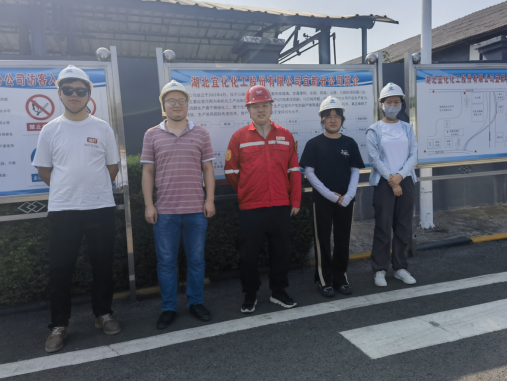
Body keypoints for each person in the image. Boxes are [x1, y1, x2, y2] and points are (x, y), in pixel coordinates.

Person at [33, 65, 121, 353]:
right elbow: (44, 170)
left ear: (88, 94)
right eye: (68, 89)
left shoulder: (102, 127)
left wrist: (92, 189)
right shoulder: (50, 129)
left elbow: (112, 166)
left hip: (100, 207)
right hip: (63, 210)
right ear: (59, 93)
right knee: (60, 269)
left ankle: (103, 314)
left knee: (102, 265)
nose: (74, 94)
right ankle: (59, 325)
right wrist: (68, 189)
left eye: (80, 90)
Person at [141, 80, 216, 330]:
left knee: (196, 260)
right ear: (163, 105)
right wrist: (149, 205)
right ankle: (169, 307)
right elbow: (148, 172)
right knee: (166, 263)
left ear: (187, 104)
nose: (176, 105)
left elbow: (208, 169)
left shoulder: (201, 133)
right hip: (165, 212)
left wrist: (209, 200)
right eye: (171, 101)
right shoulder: (151, 134)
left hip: (196, 210)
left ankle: (196, 302)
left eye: (181, 100)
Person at [224, 85, 301, 313]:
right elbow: (231, 172)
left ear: (271, 106)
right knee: (248, 255)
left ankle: (279, 291)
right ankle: (250, 294)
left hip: (280, 205)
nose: (260, 110)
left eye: (265, 105)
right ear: (248, 109)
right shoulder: (239, 137)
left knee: (282, 252)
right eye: (255, 106)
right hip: (251, 207)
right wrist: (247, 191)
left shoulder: (285, 135)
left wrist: (295, 200)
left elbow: (294, 170)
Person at [299, 96, 364, 298]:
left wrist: (349, 195)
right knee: (323, 240)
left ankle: (340, 278)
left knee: (343, 240)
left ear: (342, 119)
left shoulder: (350, 143)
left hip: (346, 200)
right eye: (329, 116)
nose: (333, 120)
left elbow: (355, 171)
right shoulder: (314, 144)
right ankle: (324, 280)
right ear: (322, 119)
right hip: (322, 201)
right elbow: (309, 173)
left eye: (337, 116)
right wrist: (328, 194)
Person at [366, 82, 418, 287]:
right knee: (383, 226)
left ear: (402, 104)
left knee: (404, 226)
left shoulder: (407, 128)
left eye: (397, 102)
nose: (393, 105)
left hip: (405, 181)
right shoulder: (374, 130)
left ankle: (400, 267)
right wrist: (392, 179)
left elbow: (413, 155)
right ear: (382, 104)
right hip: (384, 182)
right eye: (389, 102)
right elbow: (374, 159)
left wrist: (400, 177)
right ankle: (379, 269)